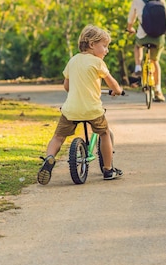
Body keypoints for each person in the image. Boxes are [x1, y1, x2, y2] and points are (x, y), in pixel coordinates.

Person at [37, 24, 124, 185]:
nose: (106, 50)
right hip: (92, 110)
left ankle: (49, 158)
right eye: (104, 46)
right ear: (92, 45)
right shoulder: (98, 63)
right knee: (105, 133)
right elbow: (114, 86)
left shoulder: (73, 60)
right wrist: (117, 91)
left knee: (58, 137)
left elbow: (67, 86)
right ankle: (108, 169)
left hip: (71, 110)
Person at [126, 0, 166, 102]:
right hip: (159, 36)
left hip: (143, 35)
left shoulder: (137, 1)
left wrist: (129, 28)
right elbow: (165, 19)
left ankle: (138, 67)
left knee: (138, 46)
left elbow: (131, 19)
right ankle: (158, 90)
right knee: (155, 61)